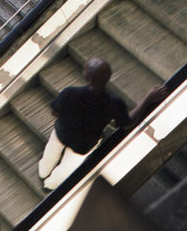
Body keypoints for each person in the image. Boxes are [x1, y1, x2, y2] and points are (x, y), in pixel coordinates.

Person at [38, 58, 169, 190]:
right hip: (83, 144)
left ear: (86, 76)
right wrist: (148, 99)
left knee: (51, 152)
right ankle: (50, 184)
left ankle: (43, 170)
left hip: (61, 132)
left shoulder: (70, 92)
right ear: (107, 78)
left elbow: (54, 112)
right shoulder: (113, 103)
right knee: (67, 167)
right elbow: (127, 123)